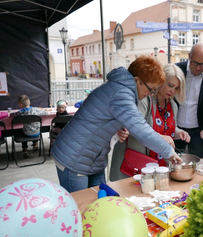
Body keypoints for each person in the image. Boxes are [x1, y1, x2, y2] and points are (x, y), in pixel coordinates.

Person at [51, 55, 182, 193]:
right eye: (151, 89)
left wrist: (119, 127)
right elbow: (142, 130)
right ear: (137, 81)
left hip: (92, 158)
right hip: (74, 157)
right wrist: (170, 153)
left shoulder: (121, 89)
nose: (151, 94)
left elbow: (103, 118)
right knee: (80, 206)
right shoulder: (122, 93)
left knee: (99, 203)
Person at [110, 63, 190, 181]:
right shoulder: (145, 99)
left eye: (176, 88)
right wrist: (159, 137)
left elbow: (168, 127)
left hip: (157, 165)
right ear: (162, 81)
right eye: (170, 85)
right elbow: (133, 127)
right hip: (133, 164)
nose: (173, 91)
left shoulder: (172, 105)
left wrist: (179, 133)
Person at [174, 42, 203, 158]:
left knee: (197, 165)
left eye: (202, 64)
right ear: (189, 56)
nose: (197, 68)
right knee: (173, 164)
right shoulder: (177, 70)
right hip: (175, 129)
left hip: (199, 132)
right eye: (194, 63)